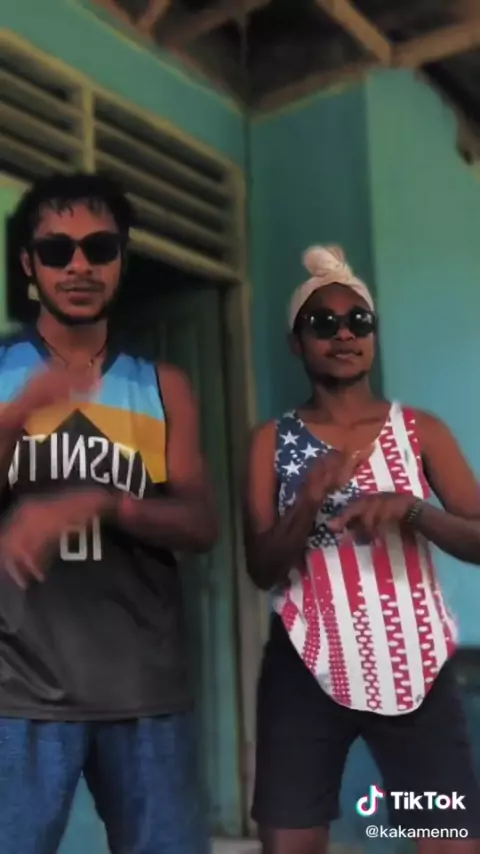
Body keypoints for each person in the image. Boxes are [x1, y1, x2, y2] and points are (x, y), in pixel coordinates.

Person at [0, 172, 217, 854]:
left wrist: (103, 502)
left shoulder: (162, 385)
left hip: (145, 688)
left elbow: (201, 524)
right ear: (28, 264)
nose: (79, 266)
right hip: (17, 689)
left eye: (99, 248)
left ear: (122, 259)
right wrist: (21, 410)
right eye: (56, 250)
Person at [244, 245, 480, 854]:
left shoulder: (421, 431)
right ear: (296, 342)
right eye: (323, 323)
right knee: (292, 843)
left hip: (415, 658)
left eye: (359, 321)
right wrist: (306, 502)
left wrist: (412, 510)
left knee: (449, 841)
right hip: (305, 659)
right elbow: (261, 567)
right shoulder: (271, 441)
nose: (344, 334)